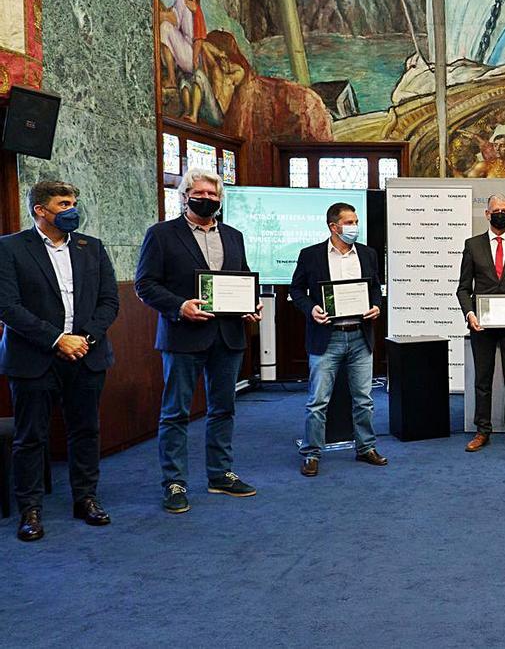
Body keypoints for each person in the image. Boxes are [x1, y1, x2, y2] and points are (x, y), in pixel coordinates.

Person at [134, 168, 261, 514]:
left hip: (228, 336)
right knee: (175, 413)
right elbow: (144, 285)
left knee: (224, 409)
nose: (207, 200)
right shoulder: (161, 235)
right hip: (183, 336)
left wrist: (252, 305)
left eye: (214, 195)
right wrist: (179, 306)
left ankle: (220, 474)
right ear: (185, 195)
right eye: (201, 194)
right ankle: (174, 482)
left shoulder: (234, 236)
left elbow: (243, 278)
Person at [0, 182, 119, 541]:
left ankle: (86, 498)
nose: (72, 209)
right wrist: (57, 340)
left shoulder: (91, 248)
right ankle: (30, 510)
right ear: (40, 209)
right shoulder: (10, 248)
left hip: (86, 353)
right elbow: (7, 306)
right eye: (63, 203)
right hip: (33, 357)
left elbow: (109, 301)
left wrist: (86, 339)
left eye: (74, 202)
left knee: (85, 430)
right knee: (31, 437)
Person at [288, 202, 387, 477]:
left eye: (356, 221)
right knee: (318, 400)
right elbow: (296, 290)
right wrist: (311, 309)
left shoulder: (367, 254)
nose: (355, 227)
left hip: (359, 335)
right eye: (350, 222)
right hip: (326, 337)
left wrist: (376, 305)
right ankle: (311, 453)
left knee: (364, 399)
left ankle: (366, 447)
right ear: (334, 226)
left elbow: (375, 288)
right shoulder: (311, 255)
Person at [456, 194, 505, 452]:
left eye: (504, 210)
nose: (500, 213)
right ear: (487, 214)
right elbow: (463, 288)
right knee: (483, 379)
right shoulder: (472, 245)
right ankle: (482, 430)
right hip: (482, 325)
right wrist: (470, 314)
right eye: (495, 210)